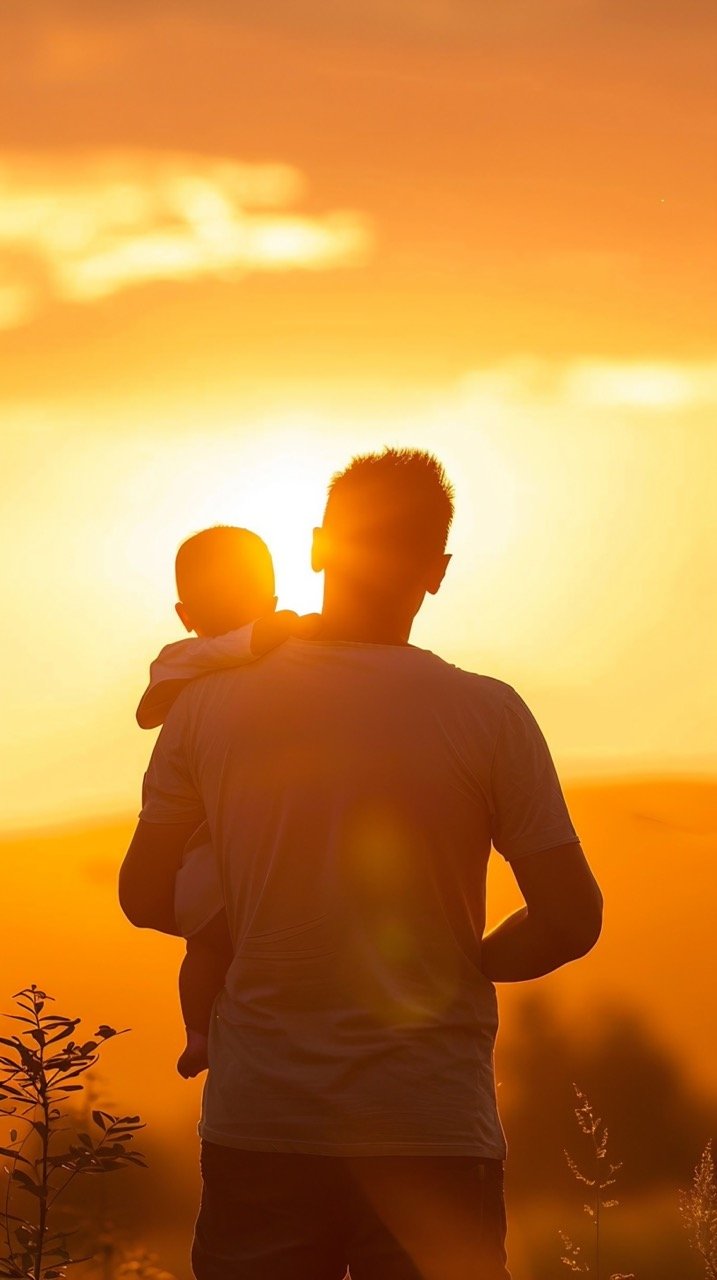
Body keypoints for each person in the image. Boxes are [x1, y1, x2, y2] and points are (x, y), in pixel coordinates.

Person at [120, 448, 603, 1280]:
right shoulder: (489, 714)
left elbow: (141, 893)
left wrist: (238, 921)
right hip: (430, 1125)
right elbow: (569, 918)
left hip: (261, 1123)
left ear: (315, 547)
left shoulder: (204, 705)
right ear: (437, 571)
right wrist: (472, 958)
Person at [136, 524, 315, 1079]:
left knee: (208, 952)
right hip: (212, 860)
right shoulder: (183, 661)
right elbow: (148, 709)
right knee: (208, 949)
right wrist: (268, 635)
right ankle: (199, 1034)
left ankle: (203, 1035)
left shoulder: (287, 660)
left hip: (238, 859)